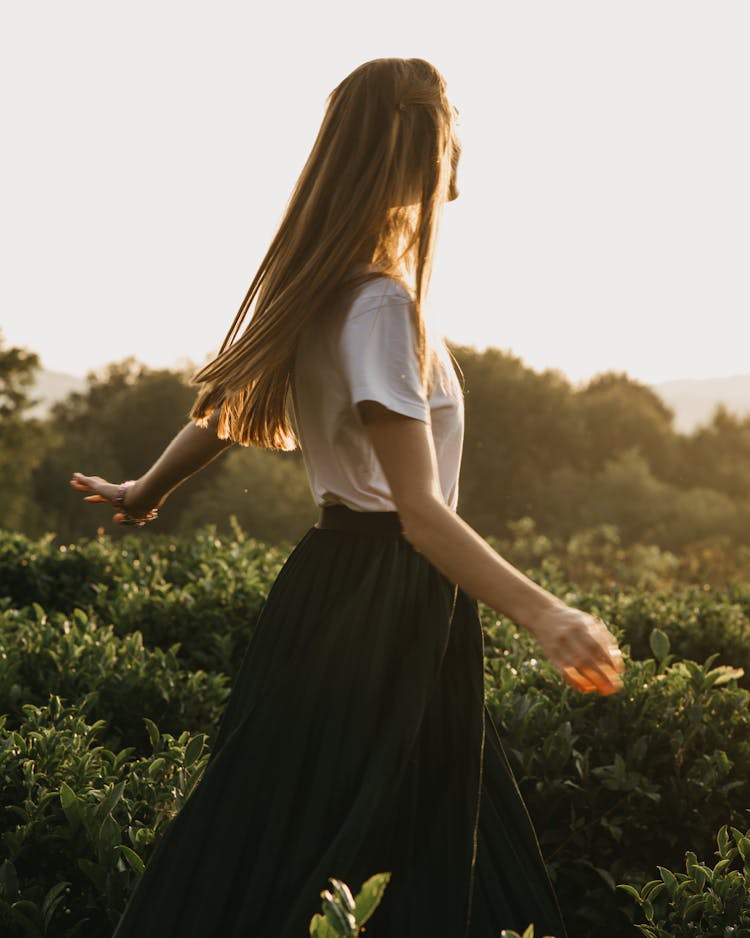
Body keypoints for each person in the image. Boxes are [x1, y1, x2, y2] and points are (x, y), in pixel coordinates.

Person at [71, 57, 624, 938]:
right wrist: (549, 616)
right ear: (424, 142)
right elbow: (420, 514)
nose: (463, 153)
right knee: (374, 845)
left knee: (283, 828)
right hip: (389, 595)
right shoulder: (377, 307)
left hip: (335, 588)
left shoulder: (327, 290)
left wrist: (148, 485)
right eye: (455, 131)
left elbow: (224, 414)